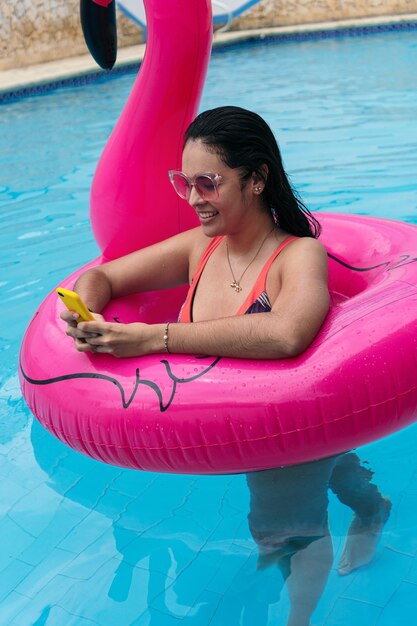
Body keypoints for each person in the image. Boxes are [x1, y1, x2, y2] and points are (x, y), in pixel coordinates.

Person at [61, 106, 390, 626]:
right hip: (230, 420)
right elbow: (101, 277)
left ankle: (298, 620)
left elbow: (286, 334)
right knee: (329, 464)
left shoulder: (298, 255)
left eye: (208, 183)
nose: (193, 199)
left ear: (256, 180)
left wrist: (153, 338)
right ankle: (372, 506)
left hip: (286, 421)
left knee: (282, 530)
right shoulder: (200, 248)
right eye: (184, 182)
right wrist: (84, 316)